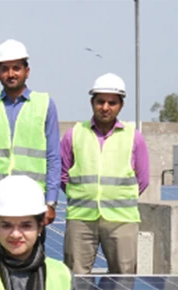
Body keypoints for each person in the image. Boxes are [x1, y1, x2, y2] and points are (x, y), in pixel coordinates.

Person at [0, 39, 62, 256]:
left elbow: (53, 156)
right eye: (5, 69)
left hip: (32, 194)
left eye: (16, 68)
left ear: (26, 71)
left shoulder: (45, 104)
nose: (11, 74)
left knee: (31, 256)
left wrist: (51, 201)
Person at [61, 73, 149, 274]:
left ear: (121, 105)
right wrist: (86, 195)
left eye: (112, 102)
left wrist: (116, 198)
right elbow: (64, 175)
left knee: (124, 280)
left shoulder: (134, 138)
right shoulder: (74, 134)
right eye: (100, 101)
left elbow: (142, 180)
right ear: (92, 102)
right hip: (81, 219)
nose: (105, 107)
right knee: (75, 279)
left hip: (122, 220)